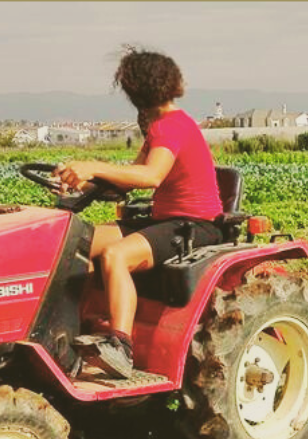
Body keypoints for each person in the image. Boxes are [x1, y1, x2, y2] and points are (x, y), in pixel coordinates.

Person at [54, 47, 223, 379]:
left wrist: (92, 165)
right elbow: (126, 183)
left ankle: (120, 347)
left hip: (195, 225)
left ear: (135, 91)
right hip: (169, 220)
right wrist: (80, 185)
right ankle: (75, 326)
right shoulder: (162, 125)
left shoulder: (171, 126)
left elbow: (150, 177)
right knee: (76, 242)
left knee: (116, 255)